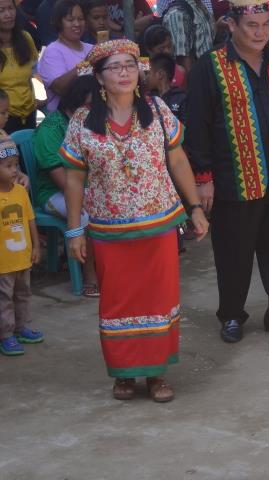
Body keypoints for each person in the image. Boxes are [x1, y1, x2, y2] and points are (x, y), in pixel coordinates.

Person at [62, 39, 209, 402]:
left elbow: (178, 160)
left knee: (159, 300)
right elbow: (75, 178)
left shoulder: (157, 109)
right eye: (115, 67)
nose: (124, 72)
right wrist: (75, 230)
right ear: (99, 77)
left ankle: (157, 373)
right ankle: (124, 373)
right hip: (109, 230)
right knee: (119, 303)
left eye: (130, 65)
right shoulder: (82, 121)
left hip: (158, 224)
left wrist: (195, 207)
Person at [185, 0, 269, 344]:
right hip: (234, 179)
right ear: (231, 25)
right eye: (252, 25)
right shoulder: (210, 66)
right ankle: (232, 316)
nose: (260, 32)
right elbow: (198, 125)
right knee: (233, 253)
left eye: (266, 24)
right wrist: (204, 177)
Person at [32, 76, 99, 295]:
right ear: (76, 102)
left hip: (88, 187)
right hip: (53, 192)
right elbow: (61, 179)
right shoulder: (50, 129)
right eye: (90, 104)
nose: (95, 108)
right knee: (89, 217)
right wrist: (86, 200)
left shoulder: (94, 123)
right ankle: (90, 276)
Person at [0, 132, 41, 357]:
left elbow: (30, 219)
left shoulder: (20, 192)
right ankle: (6, 335)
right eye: (8, 166)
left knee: (23, 294)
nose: (14, 170)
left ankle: (22, 327)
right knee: (4, 299)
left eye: (16, 165)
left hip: (22, 257)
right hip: (3, 261)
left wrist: (36, 246)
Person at [38, 0, 93, 112]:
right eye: (70, 19)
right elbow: (60, 88)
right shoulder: (52, 51)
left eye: (81, 19)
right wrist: (86, 64)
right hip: (65, 118)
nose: (77, 24)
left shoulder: (91, 48)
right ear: (59, 22)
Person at [164, 0, 215, 74]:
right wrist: (193, 83)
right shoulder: (178, 13)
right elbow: (182, 59)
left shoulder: (201, 8)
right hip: (194, 78)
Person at [0, 0, 38, 132]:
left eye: (10, 8)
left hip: (29, 112)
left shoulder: (26, 38)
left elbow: (34, 72)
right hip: (4, 118)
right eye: (1, 10)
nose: (8, 14)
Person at [145, 53, 187, 120]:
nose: (146, 77)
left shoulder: (182, 99)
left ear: (160, 74)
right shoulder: (147, 98)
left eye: (148, 73)